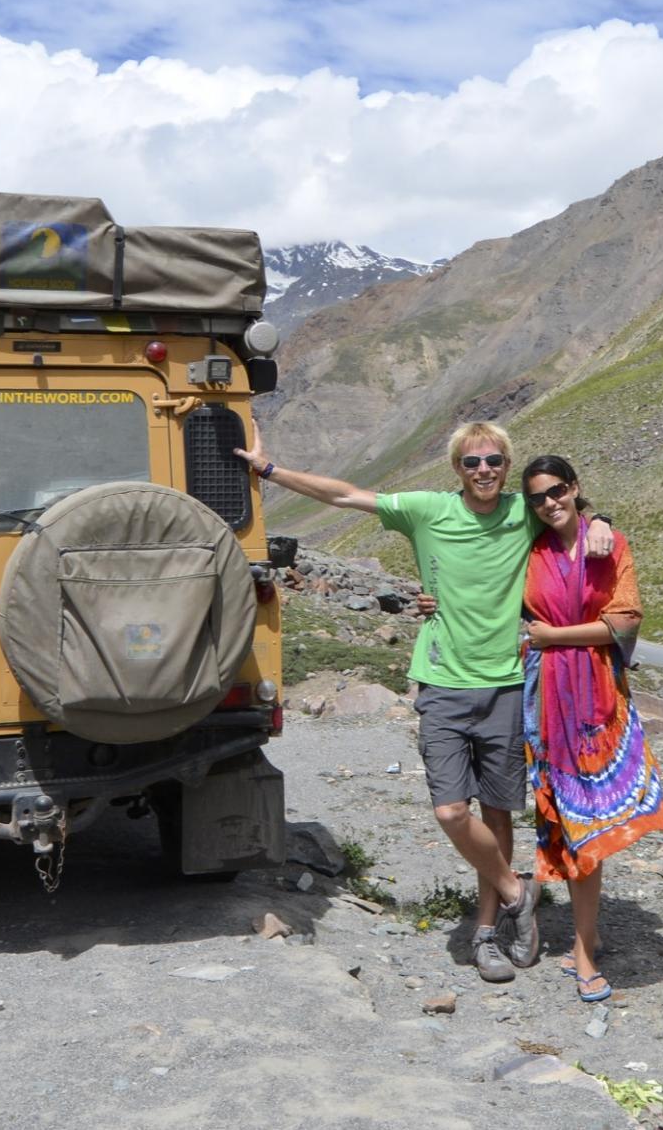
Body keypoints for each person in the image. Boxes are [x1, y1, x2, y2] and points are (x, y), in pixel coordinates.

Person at [235, 421, 609, 984]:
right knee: (451, 810)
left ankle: (487, 933)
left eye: (493, 461)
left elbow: (568, 513)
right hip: (442, 681)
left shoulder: (521, 511)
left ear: (506, 466)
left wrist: (602, 522)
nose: (483, 470)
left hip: (508, 682)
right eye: (470, 462)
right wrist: (268, 470)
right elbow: (344, 494)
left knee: (499, 811)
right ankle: (516, 892)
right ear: (456, 468)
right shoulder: (427, 511)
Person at [515, 454, 663, 1003]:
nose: (549, 503)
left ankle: (583, 948)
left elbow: (624, 620)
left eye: (557, 491)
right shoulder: (528, 549)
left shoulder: (610, 544)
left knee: (590, 828)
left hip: (597, 700)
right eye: (537, 497)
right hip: (544, 703)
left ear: (575, 488)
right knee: (572, 823)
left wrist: (554, 638)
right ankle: (583, 938)